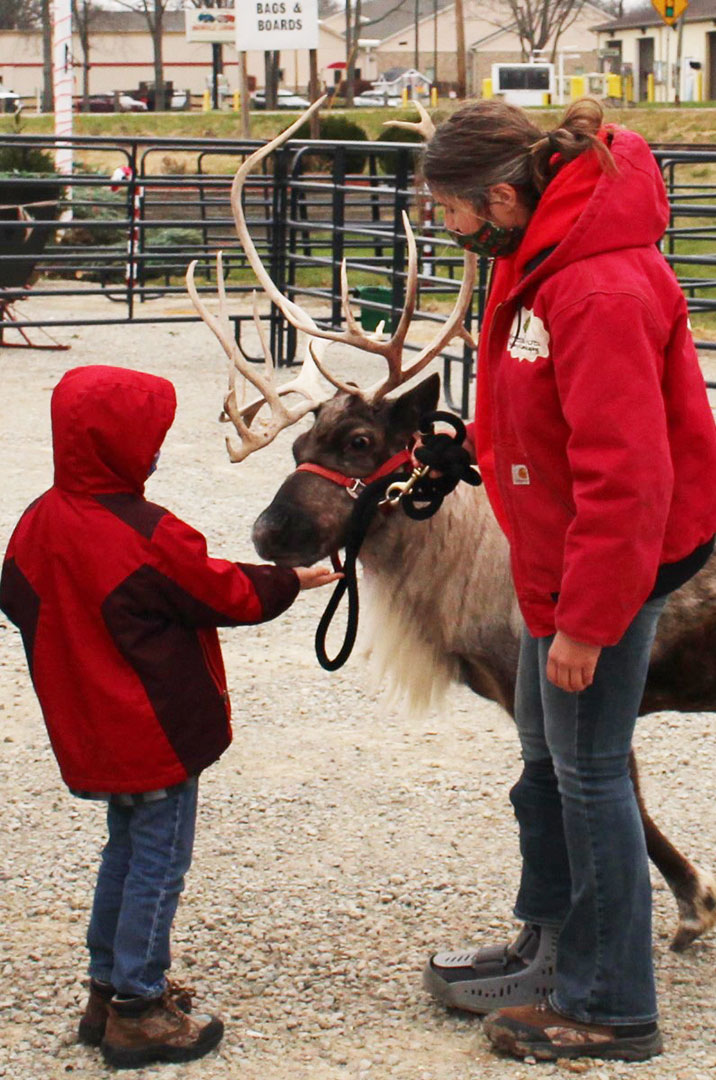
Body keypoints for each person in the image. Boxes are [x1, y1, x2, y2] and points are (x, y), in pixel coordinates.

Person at [418, 98, 716, 1062]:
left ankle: (613, 1004)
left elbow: (627, 478)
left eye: (453, 214)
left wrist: (588, 622)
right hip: (560, 566)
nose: (450, 230)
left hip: (603, 575)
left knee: (591, 781)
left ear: (502, 195)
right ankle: (549, 951)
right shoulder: (542, 254)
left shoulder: (595, 289)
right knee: (548, 770)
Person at [0, 364, 340, 1070]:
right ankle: (139, 1007)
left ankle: (107, 990)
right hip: (153, 733)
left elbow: (19, 596)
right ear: (118, 444)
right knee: (158, 863)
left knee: (123, 853)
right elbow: (224, 594)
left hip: (91, 728)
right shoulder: (145, 534)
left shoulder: (38, 521)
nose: (155, 451)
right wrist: (292, 580)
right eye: (147, 438)